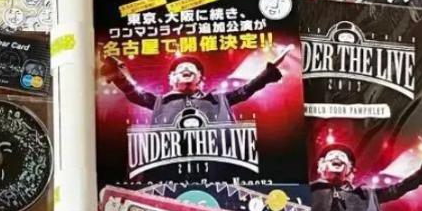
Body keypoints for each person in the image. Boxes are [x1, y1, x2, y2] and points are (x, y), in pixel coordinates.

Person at [101, 46, 288, 126]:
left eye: (192, 68)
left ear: (200, 78)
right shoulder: (159, 102)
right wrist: (118, 76)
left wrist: (268, 72)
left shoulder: (218, 100)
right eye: (180, 68)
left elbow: (245, 90)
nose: (186, 68)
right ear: (171, 79)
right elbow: (134, 93)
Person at [310, 141, 422, 211]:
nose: (337, 156)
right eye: (331, 156)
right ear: (322, 165)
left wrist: (421, 173)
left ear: (349, 169)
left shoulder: (365, 195)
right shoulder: (308, 192)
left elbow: (396, 190)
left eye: (342, 156)